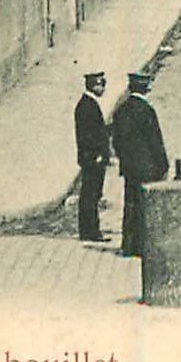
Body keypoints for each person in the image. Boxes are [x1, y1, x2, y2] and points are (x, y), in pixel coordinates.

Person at [111, 71, 169, 257]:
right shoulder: (146, 110)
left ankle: (128, 246)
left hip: (130, 168)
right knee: (144, 207)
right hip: (147, 168)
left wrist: (124, 159)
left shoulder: (121, 110)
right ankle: (143, 246)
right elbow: (155, 141)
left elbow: (116, 141)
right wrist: (163, 165)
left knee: (130, 205)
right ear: (146, 88)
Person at [73, 70, 110, 242]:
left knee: (91, 193)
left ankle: (89, 230)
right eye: (101, 85)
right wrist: (97, 155)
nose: (103, 89)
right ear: (94, 86)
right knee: (91, 194)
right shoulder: (87, 106)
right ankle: (91, 231)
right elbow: (88, 136)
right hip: (93, 158)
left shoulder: (88, 104)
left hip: (92, 157)